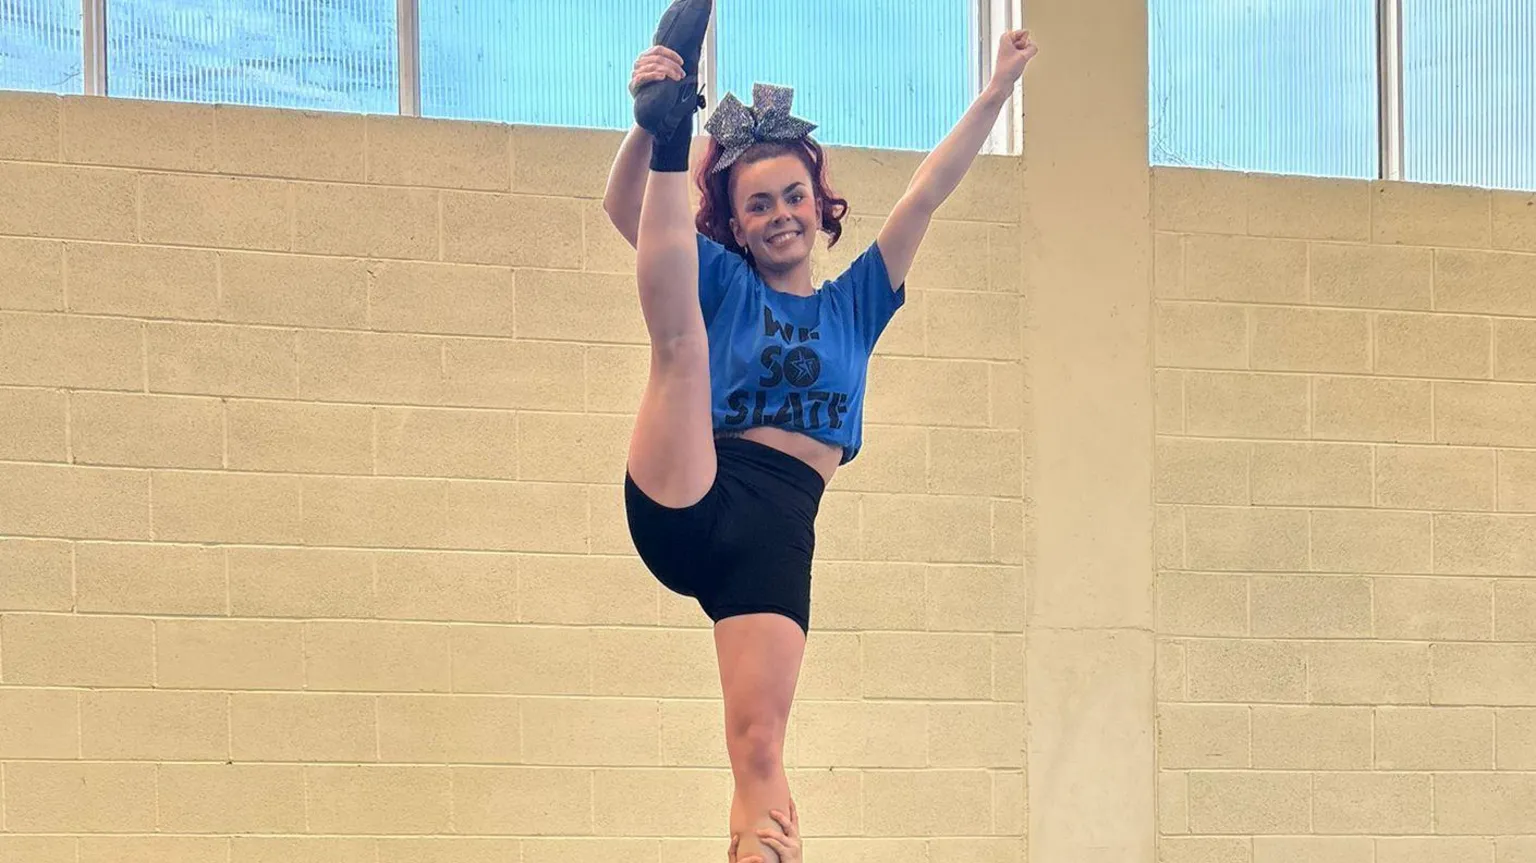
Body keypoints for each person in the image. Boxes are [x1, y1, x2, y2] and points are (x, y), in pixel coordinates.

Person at [601, 2, 1037, 859]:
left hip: (772, 537)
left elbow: (926, 193)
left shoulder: (856, 303)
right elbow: (628, 213)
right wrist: (652, 134)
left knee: (760, 751)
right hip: (689, 486)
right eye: (756, 203)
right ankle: (667, 125)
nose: (779, 214)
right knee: (681, 344)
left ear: (820, 200)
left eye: (793, 195)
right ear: (735, 219)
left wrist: (996, 91)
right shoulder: (727, 279)